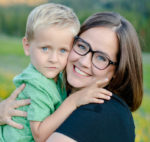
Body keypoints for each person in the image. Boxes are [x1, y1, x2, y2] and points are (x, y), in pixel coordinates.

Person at [0, 11, 143, 142]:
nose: (83, 62)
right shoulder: (56, 89)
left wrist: (73, 101)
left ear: (118, 71)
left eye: (101, 58)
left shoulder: (103, 111)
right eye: (82, 46)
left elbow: (39, 135)